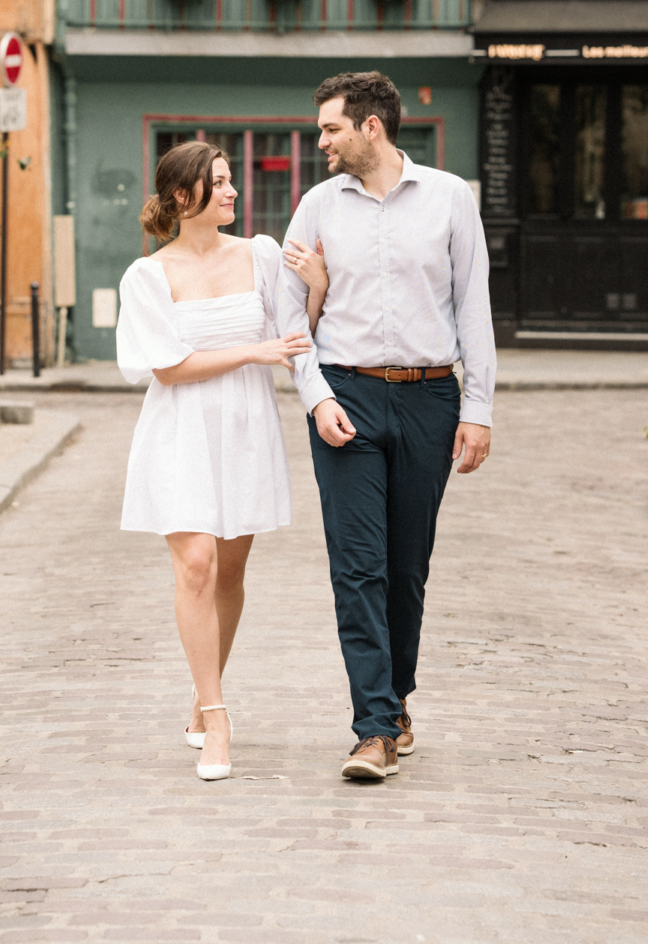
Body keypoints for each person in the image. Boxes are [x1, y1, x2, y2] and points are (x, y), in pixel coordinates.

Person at [277, 71, 496, 783]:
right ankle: (372, 727)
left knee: (406, 567)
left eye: (331, 129)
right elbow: (286, 317)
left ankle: (396, 703)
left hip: (430, 398)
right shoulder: (316, 206)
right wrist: (315, 397)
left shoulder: (450, 199)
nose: (323, 142)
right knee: (358, 566)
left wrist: (478, 409)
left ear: (372, 127)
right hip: (346, 393)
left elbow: (473, 309)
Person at [116, 141, 321, 782]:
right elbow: (169, 369)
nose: (234, 192)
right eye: (221, 183)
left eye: (232, 182)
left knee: (229, 574)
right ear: (184, 197)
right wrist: (252, 352)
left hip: (244, 427)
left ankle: (201, 694)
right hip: (180, 431)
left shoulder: (259, 254)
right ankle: (218, 715)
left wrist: (314, 290)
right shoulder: (147, 276)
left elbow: (292, 336)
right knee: (197, 566)